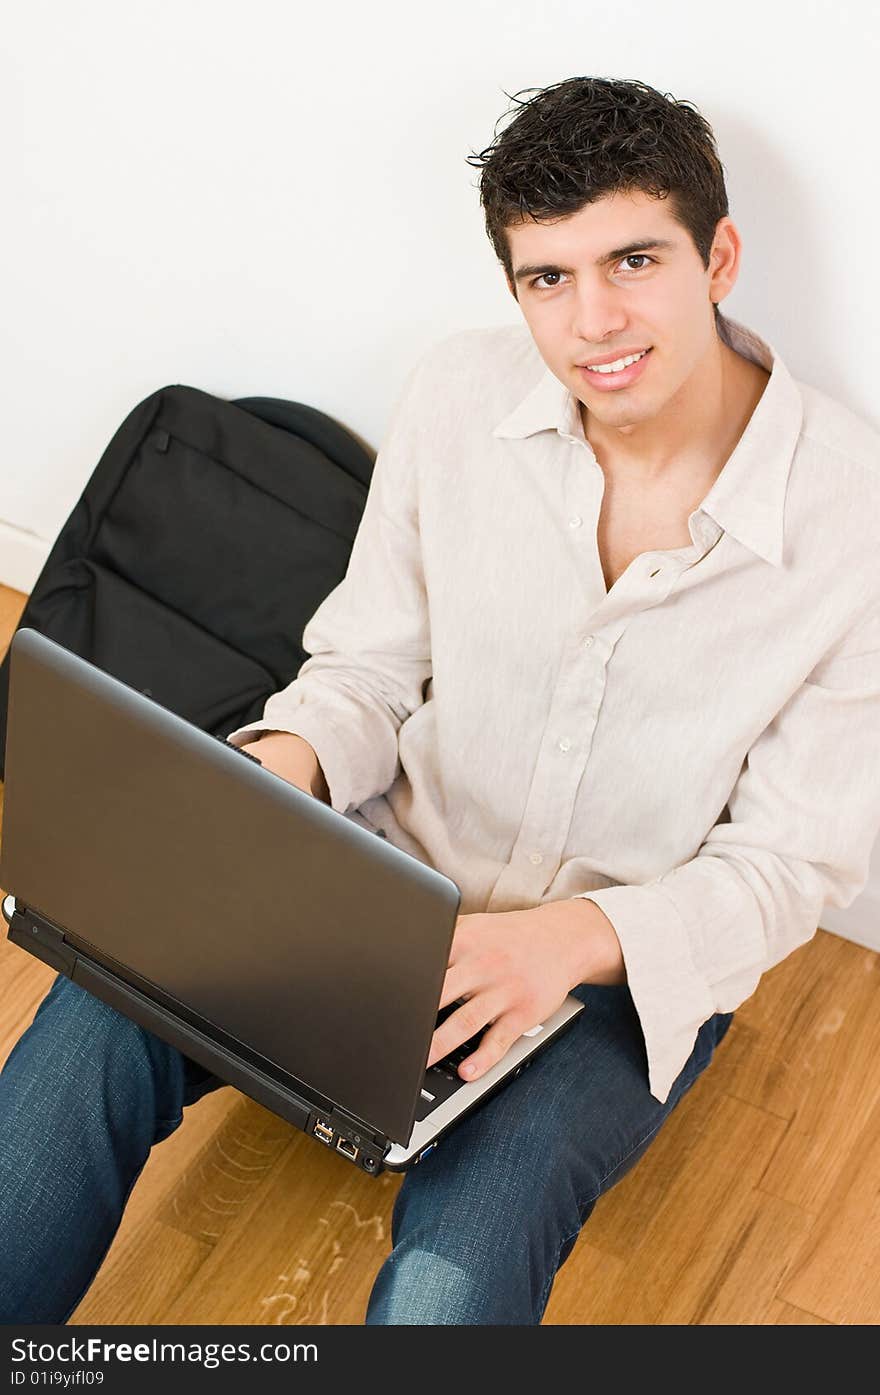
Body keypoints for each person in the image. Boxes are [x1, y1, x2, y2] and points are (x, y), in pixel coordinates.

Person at [2, 75, 879, 1327]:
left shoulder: (859, 518)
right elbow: (366, 665)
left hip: (611, 974)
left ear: (718, 255)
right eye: (547, 279)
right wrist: (282, 773)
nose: (595, 322)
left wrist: (561, 947)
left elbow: (789, 863)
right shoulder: (456, 398)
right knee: (89, 1022)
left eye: (633, 259)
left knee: (457, 1275)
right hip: (375, 875)